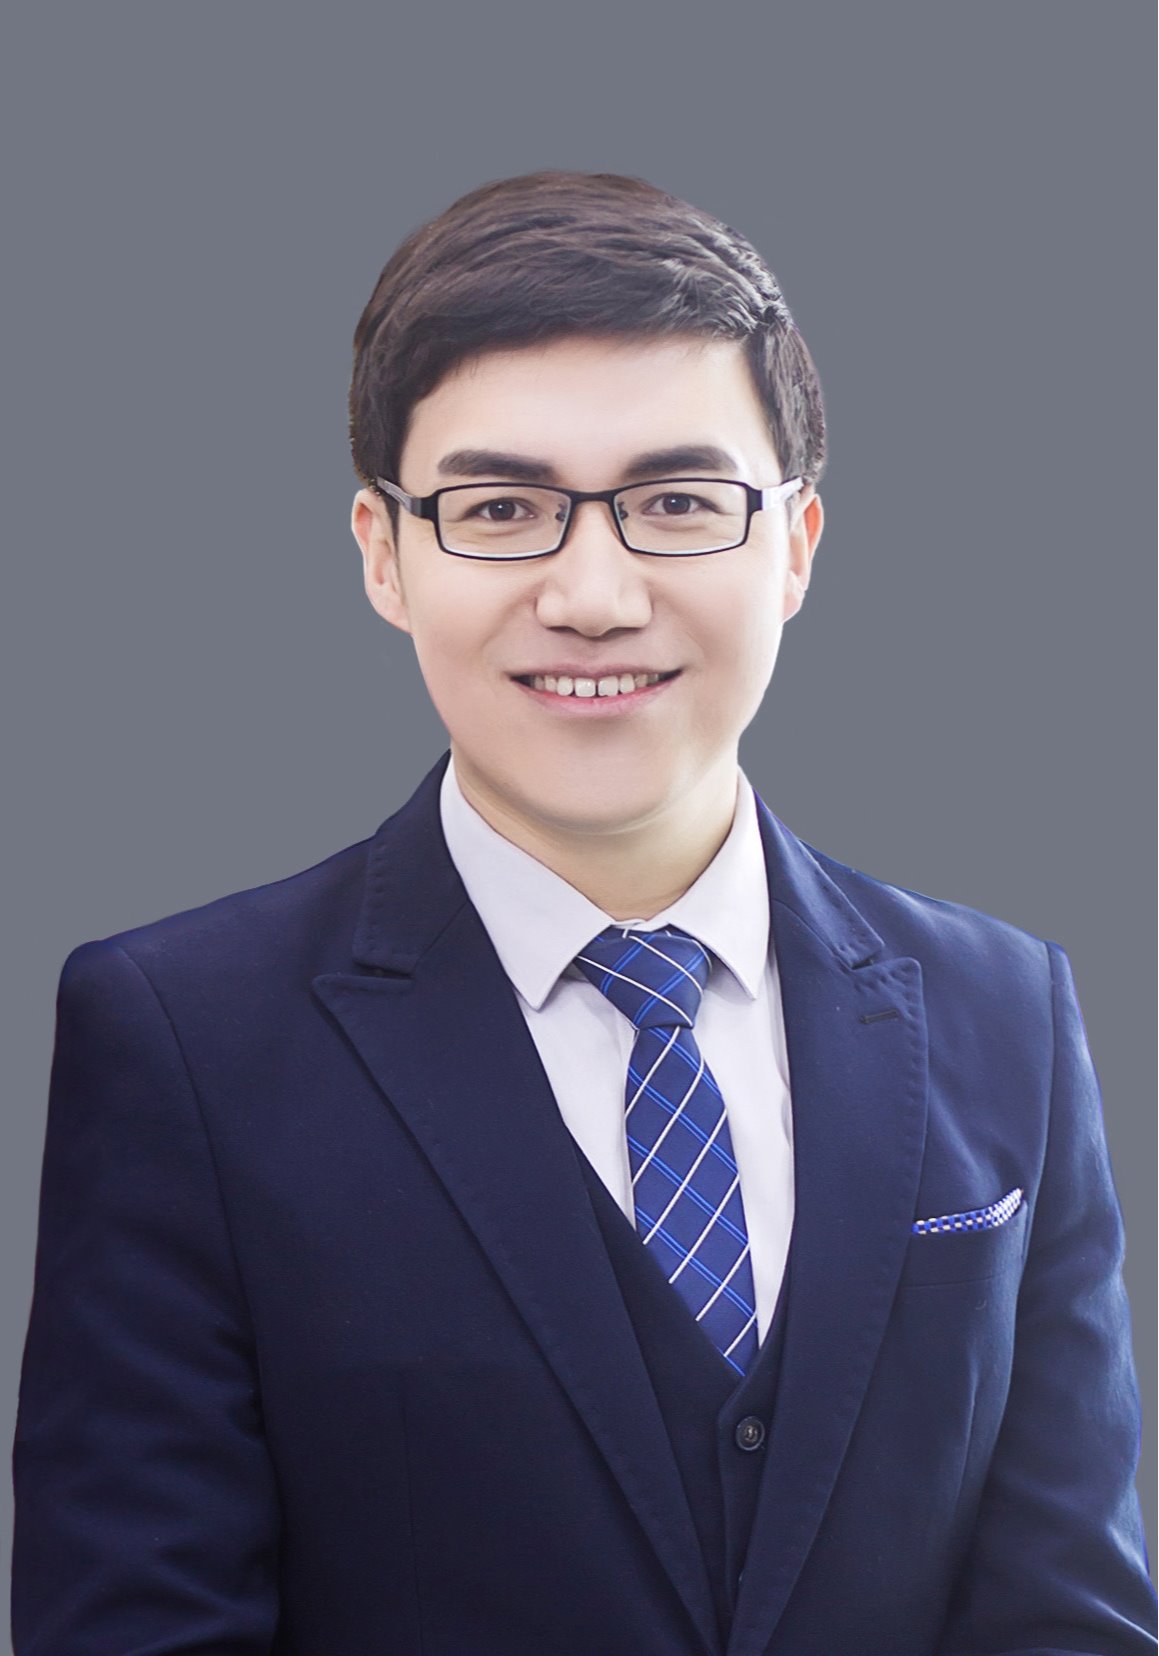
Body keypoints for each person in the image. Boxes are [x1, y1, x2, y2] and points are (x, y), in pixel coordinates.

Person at [11, 170, 1155, 1655]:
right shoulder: (182, 1042)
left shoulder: (1009, 1014)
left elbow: (1071, 1615)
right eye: (501, 509)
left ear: (797, 545)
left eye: (678, 503)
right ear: (382, 552)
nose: (596, 594)